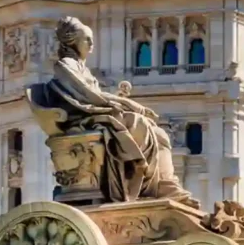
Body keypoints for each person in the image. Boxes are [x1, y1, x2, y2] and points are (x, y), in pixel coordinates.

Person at [28, 16, 197, 205]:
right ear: (71, 41)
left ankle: (164, 185)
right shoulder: (65, 66)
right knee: (139, 123)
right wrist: (128, 104)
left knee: (159, 134)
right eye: (87, 40)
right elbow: (89, 96)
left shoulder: (81, 68)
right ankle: (149, 185)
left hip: (95, 114)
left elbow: (93, 95)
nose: (91, 45)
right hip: (83, 120)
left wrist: (122, 104)